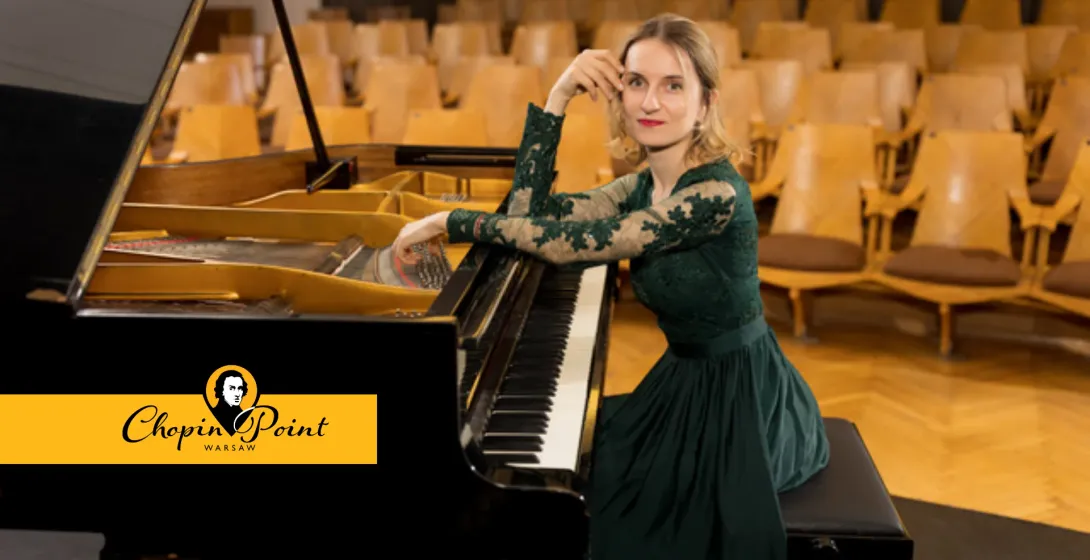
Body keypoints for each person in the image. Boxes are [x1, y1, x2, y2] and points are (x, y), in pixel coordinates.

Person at [392, 13, 830, 560]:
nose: (650, 102)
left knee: (628, 522)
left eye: (674, 86)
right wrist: (557, 96)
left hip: (742, 398)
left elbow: (563, 245)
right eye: (637, 82)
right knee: (584, 476)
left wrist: (452, 221)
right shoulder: (640, 186)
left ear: (706, 102)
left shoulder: (714, 195)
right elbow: (533, 214)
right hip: (681, 382)